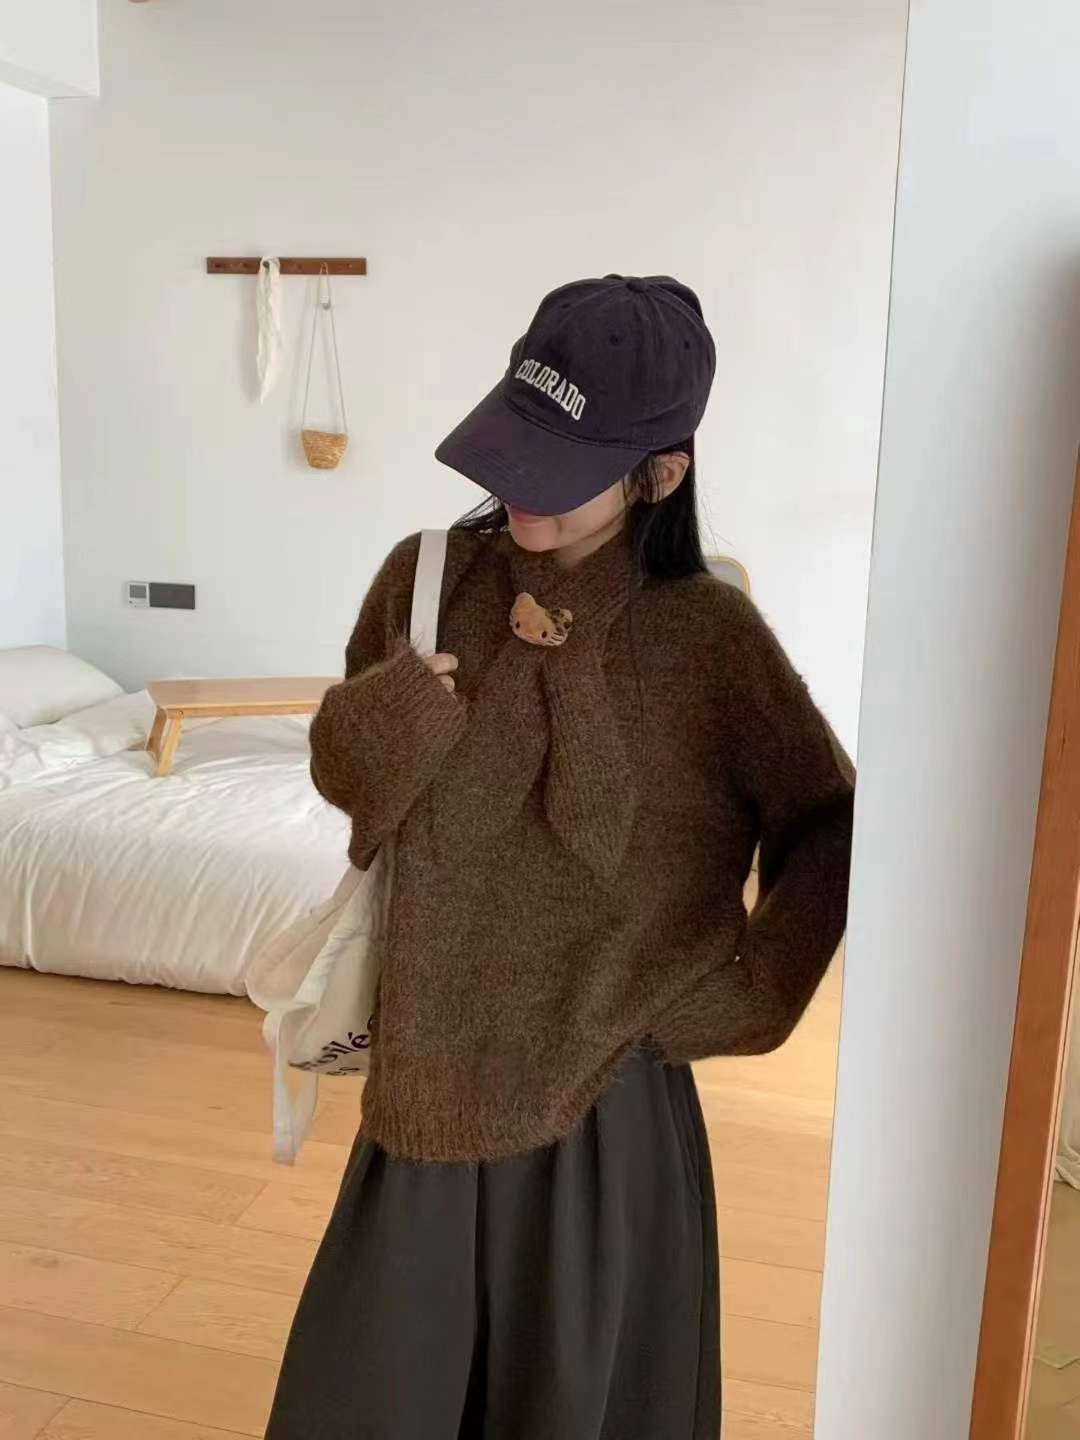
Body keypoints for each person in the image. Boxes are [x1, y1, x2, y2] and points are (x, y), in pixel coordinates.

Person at [265, 275, 854, 1440]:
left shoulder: (711, 640)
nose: (522, 486)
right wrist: (394, 717)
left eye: (564, 462)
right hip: (428, 1093)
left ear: (660, 474)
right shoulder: (427, 578)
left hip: (606, 1112)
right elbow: (342, 777)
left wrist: (752, 995)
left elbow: (828, 819)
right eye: (517, 442)